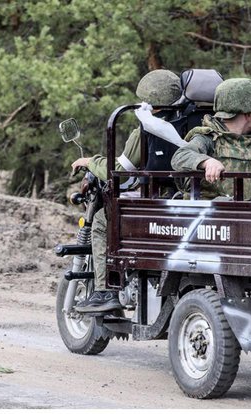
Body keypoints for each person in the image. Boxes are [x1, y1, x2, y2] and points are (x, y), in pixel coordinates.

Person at [72, 69, 183, 313]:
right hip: (186, 198)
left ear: (147, 100)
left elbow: (121, 171)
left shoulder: (146, 129)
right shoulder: (198, 122)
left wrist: (91, 162)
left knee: (101, 221)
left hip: (157, 204)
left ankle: (104, 291)